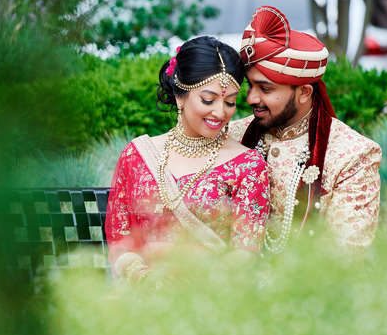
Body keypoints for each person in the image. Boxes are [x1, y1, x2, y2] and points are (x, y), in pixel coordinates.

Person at [105, 36, 270, 281]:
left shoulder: (248, 166)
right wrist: (143, 279)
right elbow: (120, 238)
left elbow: (245, 252)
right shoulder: (138, 154)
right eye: (208, 99)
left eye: (230, 101)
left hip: (212, 298)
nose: (220, 112)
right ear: (180, 95)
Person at [229, 5, 382, 251]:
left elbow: (346, 254)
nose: (251, 99)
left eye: (265, 89)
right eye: (250, 86)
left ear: (304, 92)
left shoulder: (352, 154)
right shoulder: (232, 135)